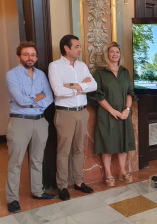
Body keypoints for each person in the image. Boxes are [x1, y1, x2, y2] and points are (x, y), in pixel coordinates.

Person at [5, 42, 56, 213]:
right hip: (20, 121)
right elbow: (21, 100)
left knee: (37, 159)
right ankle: (12, 199)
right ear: (19, 57)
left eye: (33, 55)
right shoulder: (11, 75)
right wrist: (37, 98)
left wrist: (32, 101)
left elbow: (49, 97)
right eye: (26, 54)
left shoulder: (41, 75)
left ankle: (37, 191)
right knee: (15, 163)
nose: (30, 58)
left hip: (40, 121)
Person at [48, 35, 97, 201]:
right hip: (65, 112)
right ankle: (62, 186)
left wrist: (74, 85)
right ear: (66, 48)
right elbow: (58, 91)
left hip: (82, 112)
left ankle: (78, 182)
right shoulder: (54, 66)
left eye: (80, 46)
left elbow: (94, 86)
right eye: (76, 46)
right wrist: (82, 87)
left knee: (79, 149)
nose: (80, 49)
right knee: (63, 152)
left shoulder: (82, 66)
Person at [88, 42, 135, 187]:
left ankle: (122, 170)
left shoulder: (125, 72)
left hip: (124, 113)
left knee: (124, 142)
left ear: (120, 55)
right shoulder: (100, 72)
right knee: (107, 142)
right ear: (107, 55)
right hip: (107, 113)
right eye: (112, 52)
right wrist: (112, 110)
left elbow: (130, 92)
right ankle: (108, 173)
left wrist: (127, 109)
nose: (115, 54)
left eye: (117, 52)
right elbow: (97, 95)